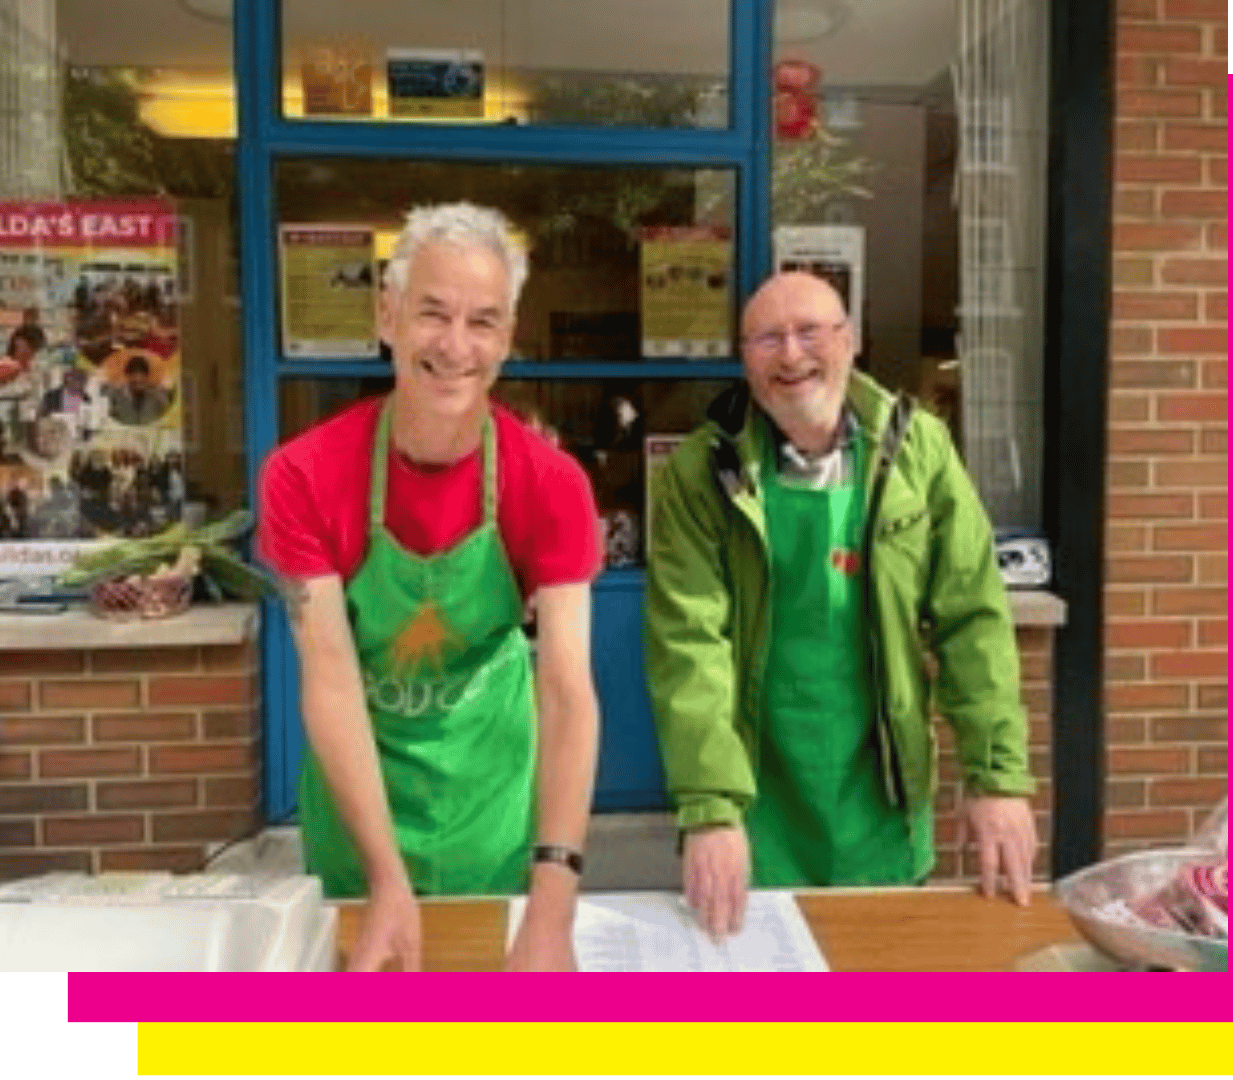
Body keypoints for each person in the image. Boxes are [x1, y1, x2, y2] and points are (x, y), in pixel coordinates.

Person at [257, 202, 602, 972]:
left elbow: (567, 690)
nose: (455, 345)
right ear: (387, 315)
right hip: (359, 813)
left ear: (508, 339)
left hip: (493, 809)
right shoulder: (303, 476)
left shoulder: (551, 484)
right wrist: (384, 875)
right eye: (432, 314)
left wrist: (552, 906)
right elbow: (333, 677)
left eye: (483, 322)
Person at [644, 271, 1037, 939]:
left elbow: (973, 617)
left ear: (849, 342)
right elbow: (689, 644)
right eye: (767, 338)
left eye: (809, 332)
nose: (791, 355)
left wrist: (996, 777)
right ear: (745, 359)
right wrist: (711, 808)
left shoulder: (920, 452)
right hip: (761, 797)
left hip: (880, 798)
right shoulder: (702, 472)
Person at [106, 355, 171, 425]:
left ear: (147, 376)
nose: (138, 378)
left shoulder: (158, 396)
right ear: (127, 376)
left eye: (141, 375)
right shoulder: (114, 396)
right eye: (134, 380)